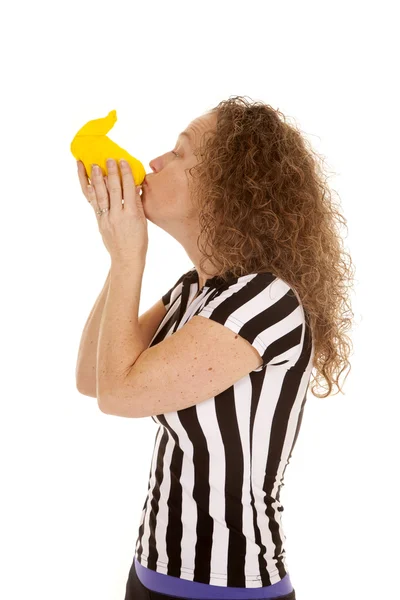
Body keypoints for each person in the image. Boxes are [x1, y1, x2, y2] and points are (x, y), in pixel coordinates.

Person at [89, 95, 353, 600]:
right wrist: (117, 253)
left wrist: (130, 256)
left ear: (224, 188)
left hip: (230, 591)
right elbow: (91, 377)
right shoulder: (193, 291)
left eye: (180, 152)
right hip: (147, 575)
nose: (155, 162)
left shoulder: (268, 300)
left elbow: (117, 395)